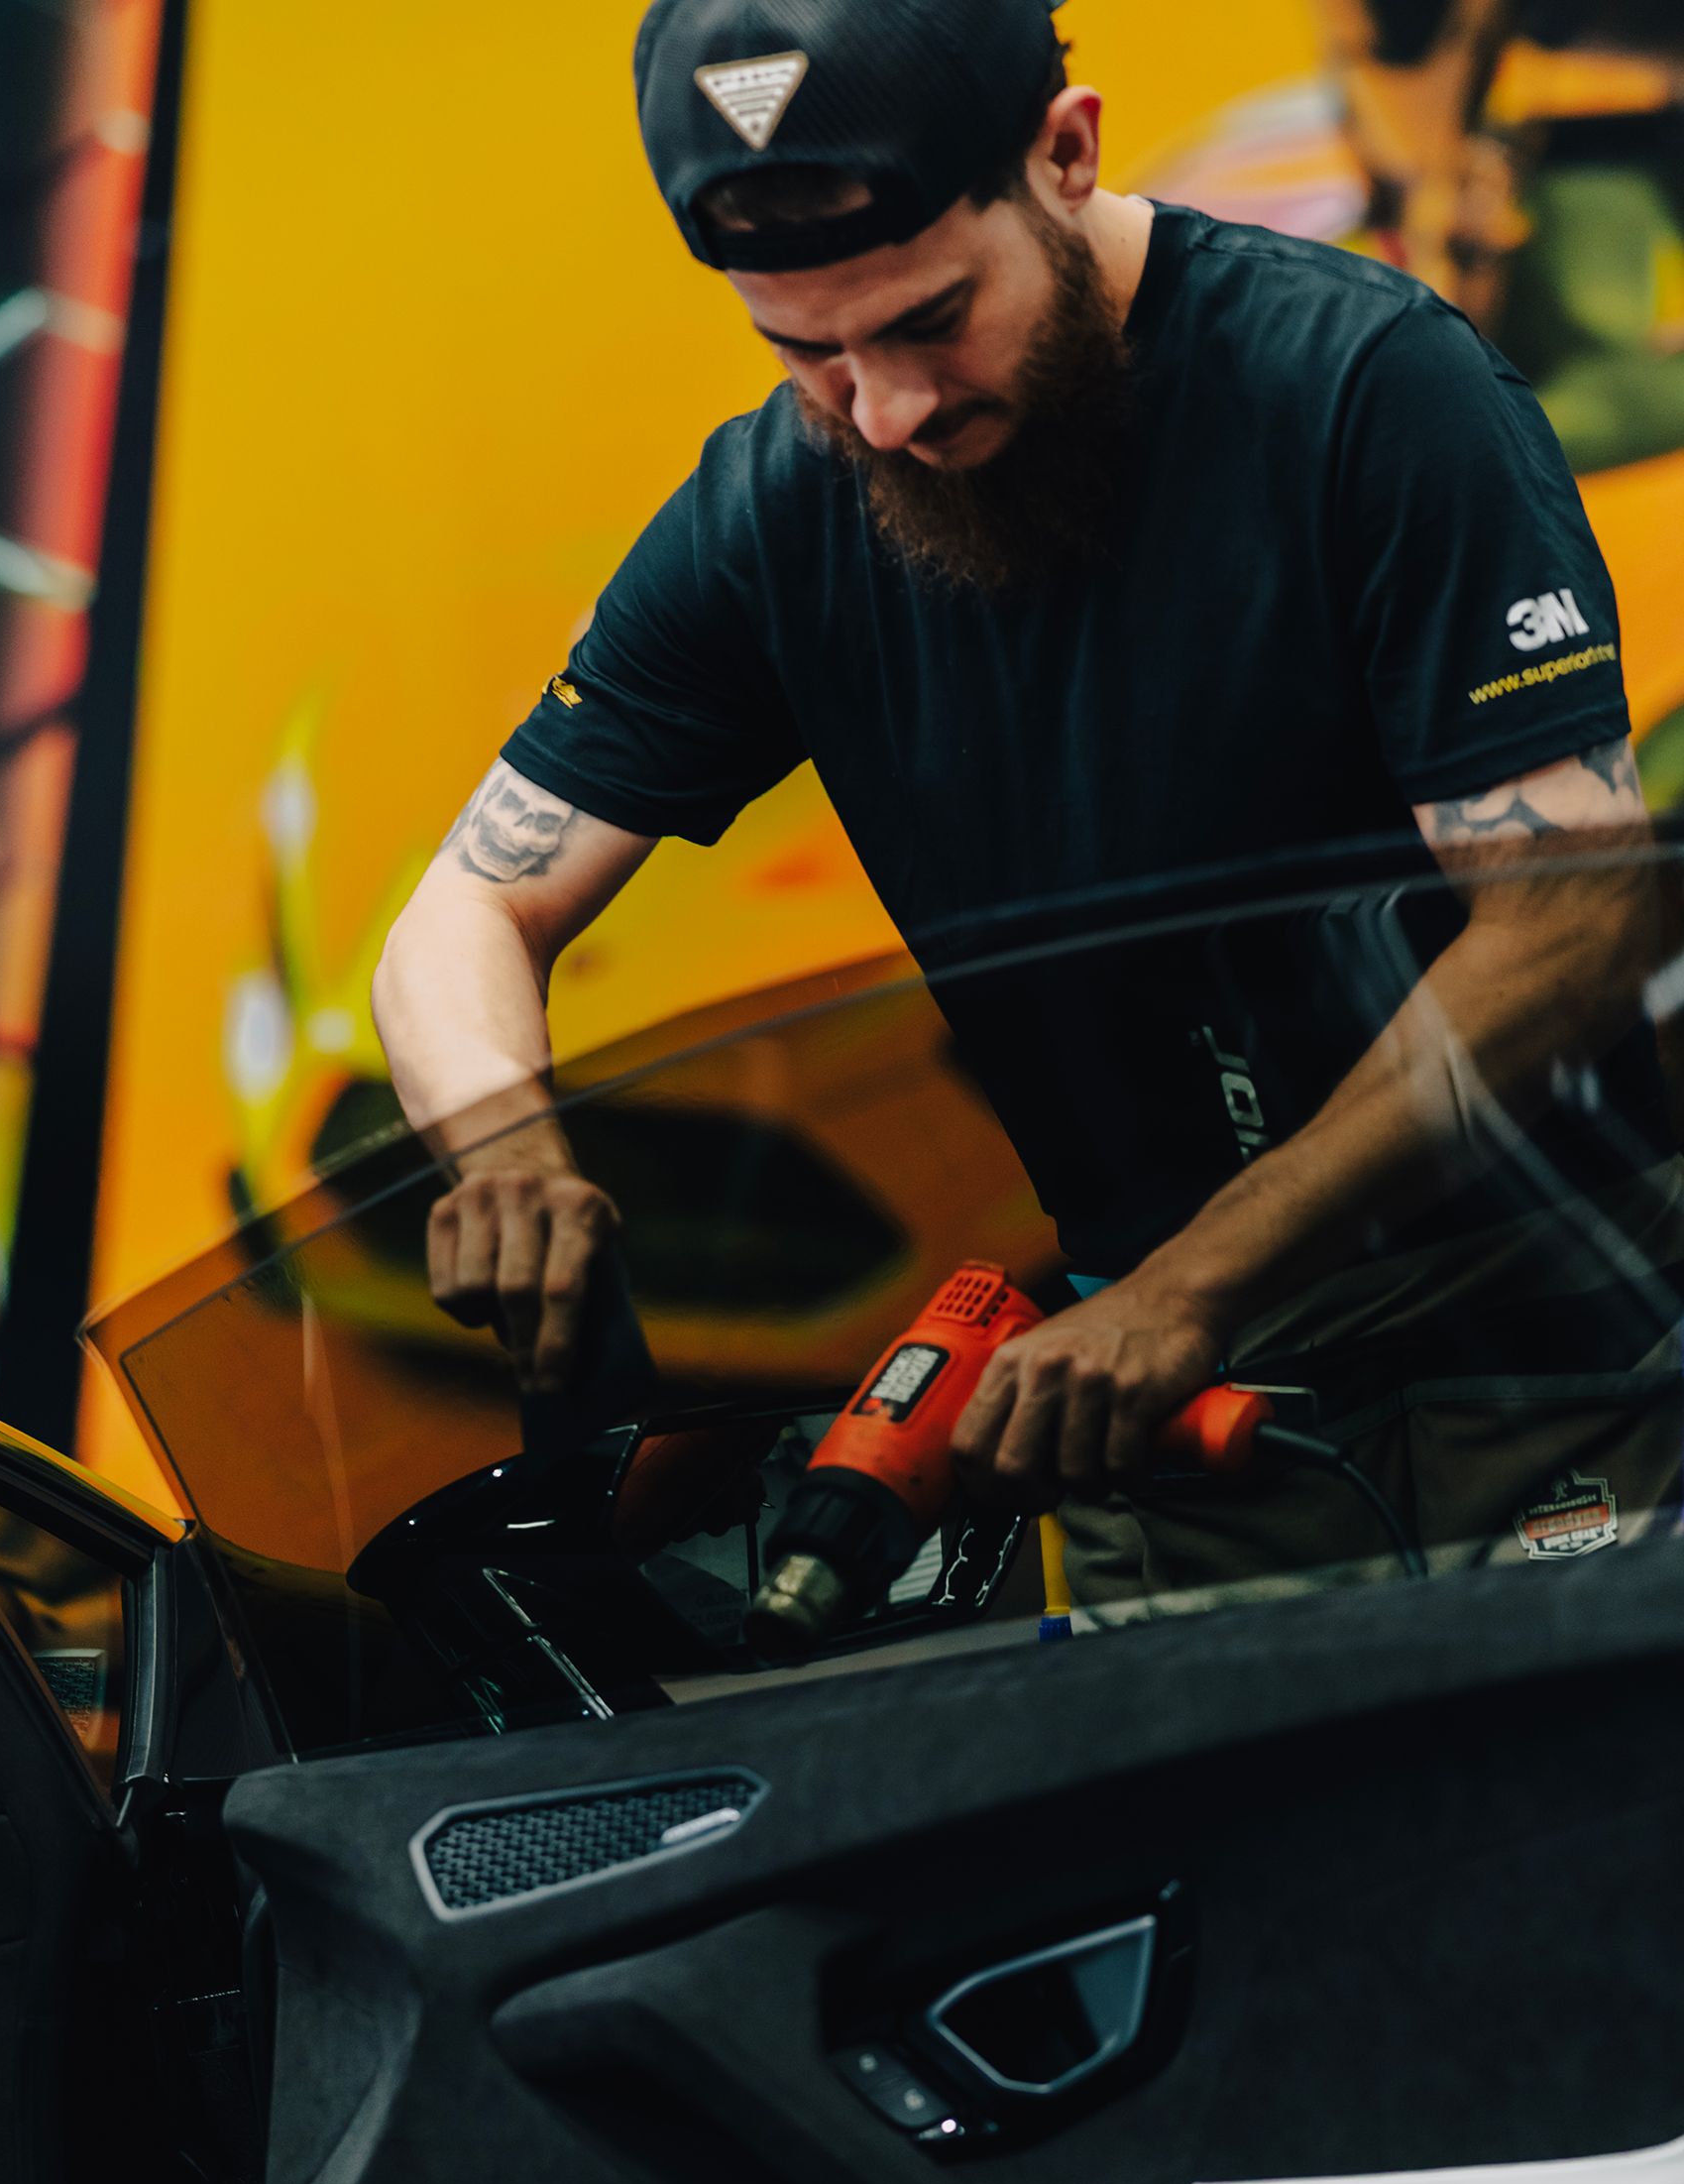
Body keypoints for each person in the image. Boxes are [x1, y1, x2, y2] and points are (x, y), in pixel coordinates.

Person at [373, 0, 1679, 1611]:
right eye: (805, 351)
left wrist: (1196, 1281)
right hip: (1153, 1403)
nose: (885, 412)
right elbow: (463, 915)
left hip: (1544, 1340)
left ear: (1065, 155)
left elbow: (1577, 915)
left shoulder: (1369, 390)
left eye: (929, 322)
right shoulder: (783, 505)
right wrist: (506, 1152)